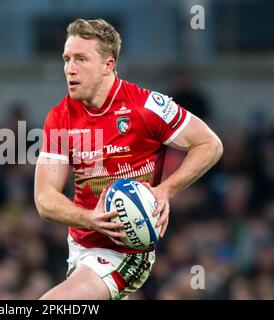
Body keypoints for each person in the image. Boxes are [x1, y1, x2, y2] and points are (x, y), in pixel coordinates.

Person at [34, 18, 223, 300]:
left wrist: (166, 190)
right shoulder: (60, 117)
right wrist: (91, 219)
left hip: (126, 253)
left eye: (81, 59)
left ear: (108, 65)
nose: (69, 69)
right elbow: (45, 198)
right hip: (80, 247)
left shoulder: (145, 107)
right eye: (67, 59)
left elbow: (210, 144)